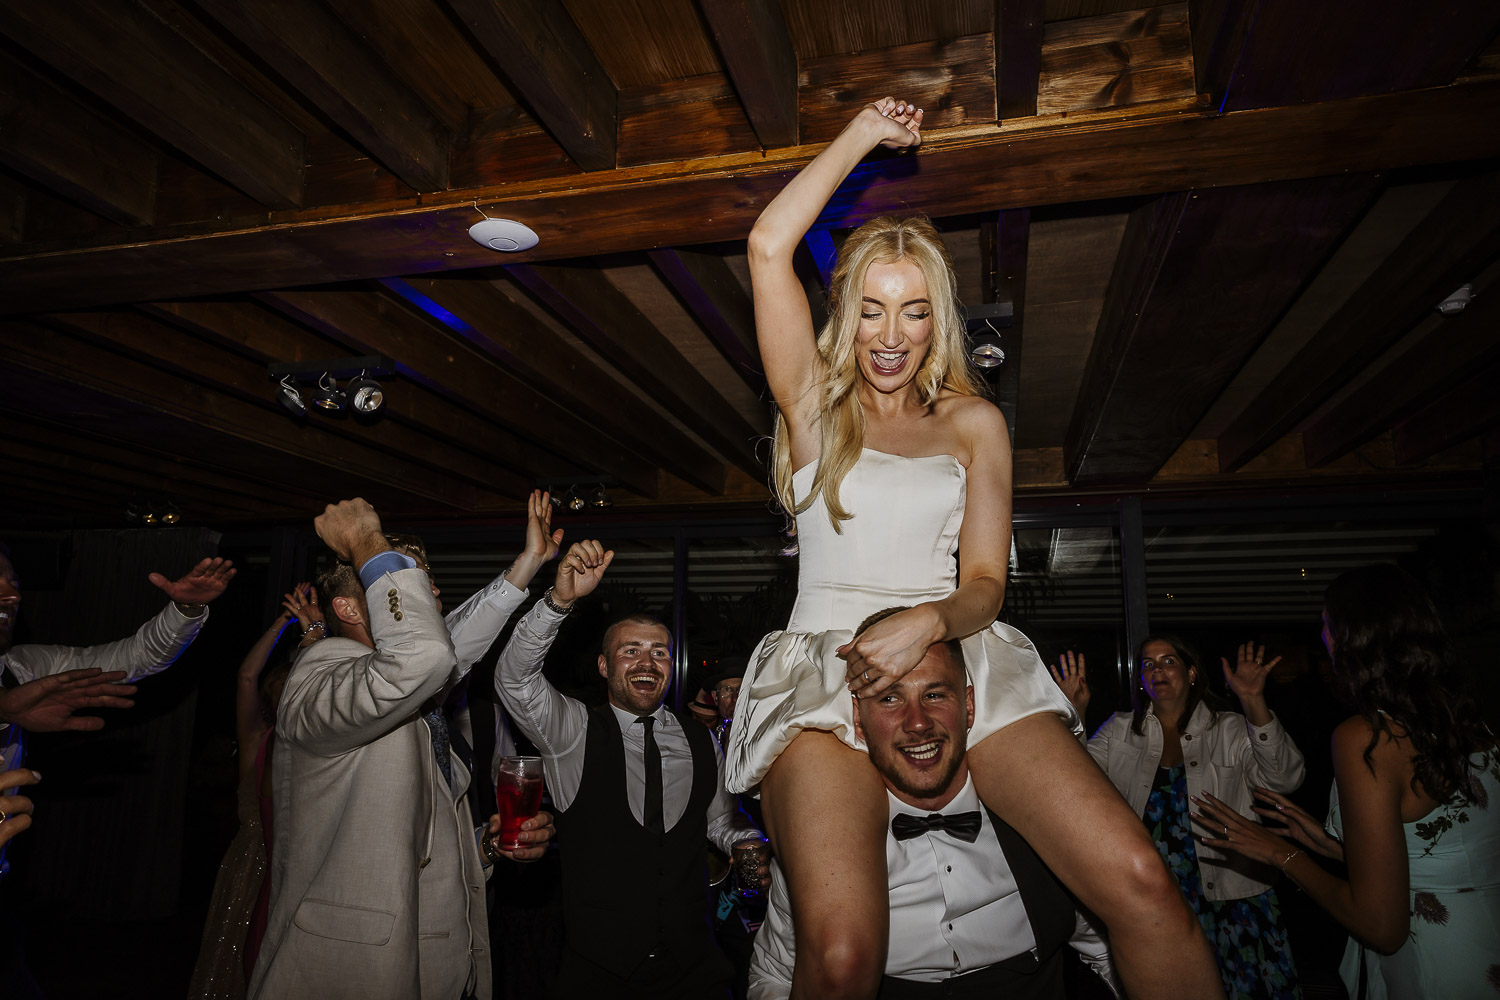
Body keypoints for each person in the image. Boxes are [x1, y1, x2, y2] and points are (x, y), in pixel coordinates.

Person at [726, 94, 1221, 999]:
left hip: (963, 654)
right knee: (841, 959)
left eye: (912, 312)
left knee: (1147, 887)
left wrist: (931, 620)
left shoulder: (973, 424)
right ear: (845, 309)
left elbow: (987, 583)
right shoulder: (812, 410)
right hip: (822, 669)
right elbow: (766, 246)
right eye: (870, 309)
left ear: (938, 318)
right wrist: (866, 138)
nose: (888, 336)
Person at [248, 499, 553, 1000]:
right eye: (407, 577)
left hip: (435, 965)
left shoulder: (408, 700)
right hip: (350, 974)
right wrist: (367, 539)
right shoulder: (317, 682)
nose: (428, 589)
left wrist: (485, 848)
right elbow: (424, 655)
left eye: (423, 579)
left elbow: (449, 649)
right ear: (348, 607)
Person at [750, 609, 1118, 1000]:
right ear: (859, 718)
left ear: (969, 705)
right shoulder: (827, 846)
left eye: (934, 694)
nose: (918, 722)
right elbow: (772, 976)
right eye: (890, 698)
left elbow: (1110, 947)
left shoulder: (1039, 819)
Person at [1195, 564, 1500, 999]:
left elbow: (1381, 927)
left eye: (1326, 624)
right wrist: (1332, 847)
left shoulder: (1367, 738)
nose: (1323, 637)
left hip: (1440, 963)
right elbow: (1445, 853)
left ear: (1352, 637)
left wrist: (1280, 852)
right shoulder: (1472, 726)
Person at [496, 539, 766, 1000]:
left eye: (659, 652)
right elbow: (514, 677)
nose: (647, 662)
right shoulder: (572, 731)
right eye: (631, 651)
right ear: (604, 666)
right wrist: (559, 602)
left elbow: (719, 821)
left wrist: (746, 845)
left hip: (696, 971)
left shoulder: (700, 739)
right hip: (598, 976)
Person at [1051, 639, 1306, 999]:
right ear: (1140, 679)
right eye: (1148, 664)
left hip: (1235, 899)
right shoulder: (1121, 730)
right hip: (1158, 903)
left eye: (1168, 661)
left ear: (1190, 673)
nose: (1157, 670)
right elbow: (1070, 787)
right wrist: (1074, 716)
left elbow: (1285, 778)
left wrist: (1253, 700)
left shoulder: (1231, 729)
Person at [188, 584, 313, 999]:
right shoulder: (260, 739)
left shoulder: (320, 749)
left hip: (297, 862)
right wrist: (285, 622)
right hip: (251, 864)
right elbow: (245, 675)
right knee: (236, 963)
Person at [0, 544, 235, 762]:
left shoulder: (23, 664)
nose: (14, 596)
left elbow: (138, 656)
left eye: (15, 585)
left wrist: (187, 608)